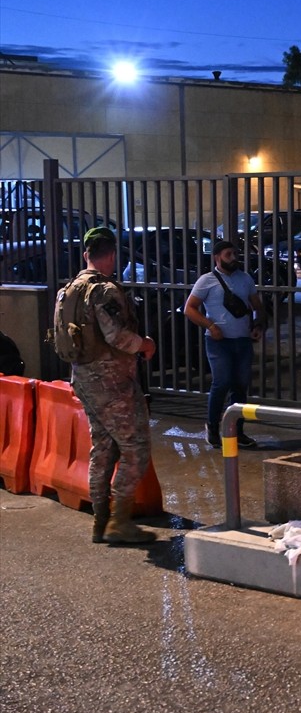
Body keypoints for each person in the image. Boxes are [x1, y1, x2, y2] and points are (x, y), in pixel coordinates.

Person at [55, 226, 157, 544]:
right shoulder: (103, 290)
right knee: (135, 448)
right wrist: (145, 344)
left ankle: (100, 522)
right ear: (111, 254)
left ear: (86, 253)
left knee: (103, 447)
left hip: (82, 377)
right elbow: (117, 337)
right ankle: (119, 522)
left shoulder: (67, 290)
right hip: (111, 381)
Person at [184, 240, 265, 448]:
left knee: (240, 386)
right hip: (218, 342)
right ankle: (212, 426)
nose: (233, 258)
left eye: (235, 254)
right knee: (221, 382)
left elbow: (257, 306)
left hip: (243, 340)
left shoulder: (245, 279)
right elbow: (190, 308)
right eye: (228, 254)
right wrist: (210, 326)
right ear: (217, 257)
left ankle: (237, 431)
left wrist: (258, 324)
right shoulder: (206, 281)